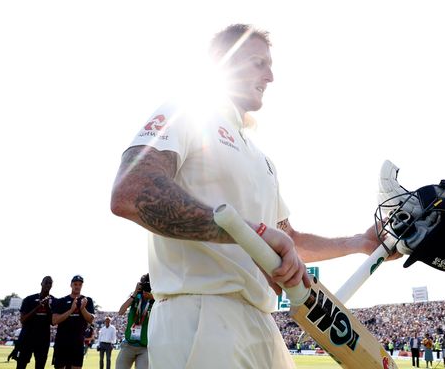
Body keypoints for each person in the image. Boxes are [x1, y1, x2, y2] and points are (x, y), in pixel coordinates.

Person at [109, 24, 393, 369]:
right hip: (201, 315)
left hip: (262, 322)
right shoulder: (185, 112)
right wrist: (253, 232)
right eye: (258, 63)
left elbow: (286, 240)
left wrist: (360, 242)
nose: (270, 76)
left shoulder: (262, 159)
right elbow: (132, 190)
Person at [51, 275, 95, 369]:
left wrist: (82, 308)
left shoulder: (87, 300)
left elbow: (90, 319)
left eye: (80, 284)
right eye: (75, 284)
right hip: (61, 342)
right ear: (71, 285)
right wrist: (71, 310)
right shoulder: (62, 301)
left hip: (78, 343)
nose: (77, 286)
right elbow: (54, 321)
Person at [15, 276, 54, 369]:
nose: (48, 285)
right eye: (46, 282)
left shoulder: (54, 301)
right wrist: (38, 307)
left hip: (43, 339)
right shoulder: (29, 299)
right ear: (41, 283)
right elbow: (23, 320)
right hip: (27, 337)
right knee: (21, 365)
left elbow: (53, 322)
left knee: (40, 366)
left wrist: (47, 306)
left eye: (50, 283)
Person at [116, 274, 153, 369]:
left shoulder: (155, 302)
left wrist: (154, 298)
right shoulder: (136, 297)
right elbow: (121, 311)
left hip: (144, 346)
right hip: (128, 344)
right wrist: (135, 293)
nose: (146, 290)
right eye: (145, 286)